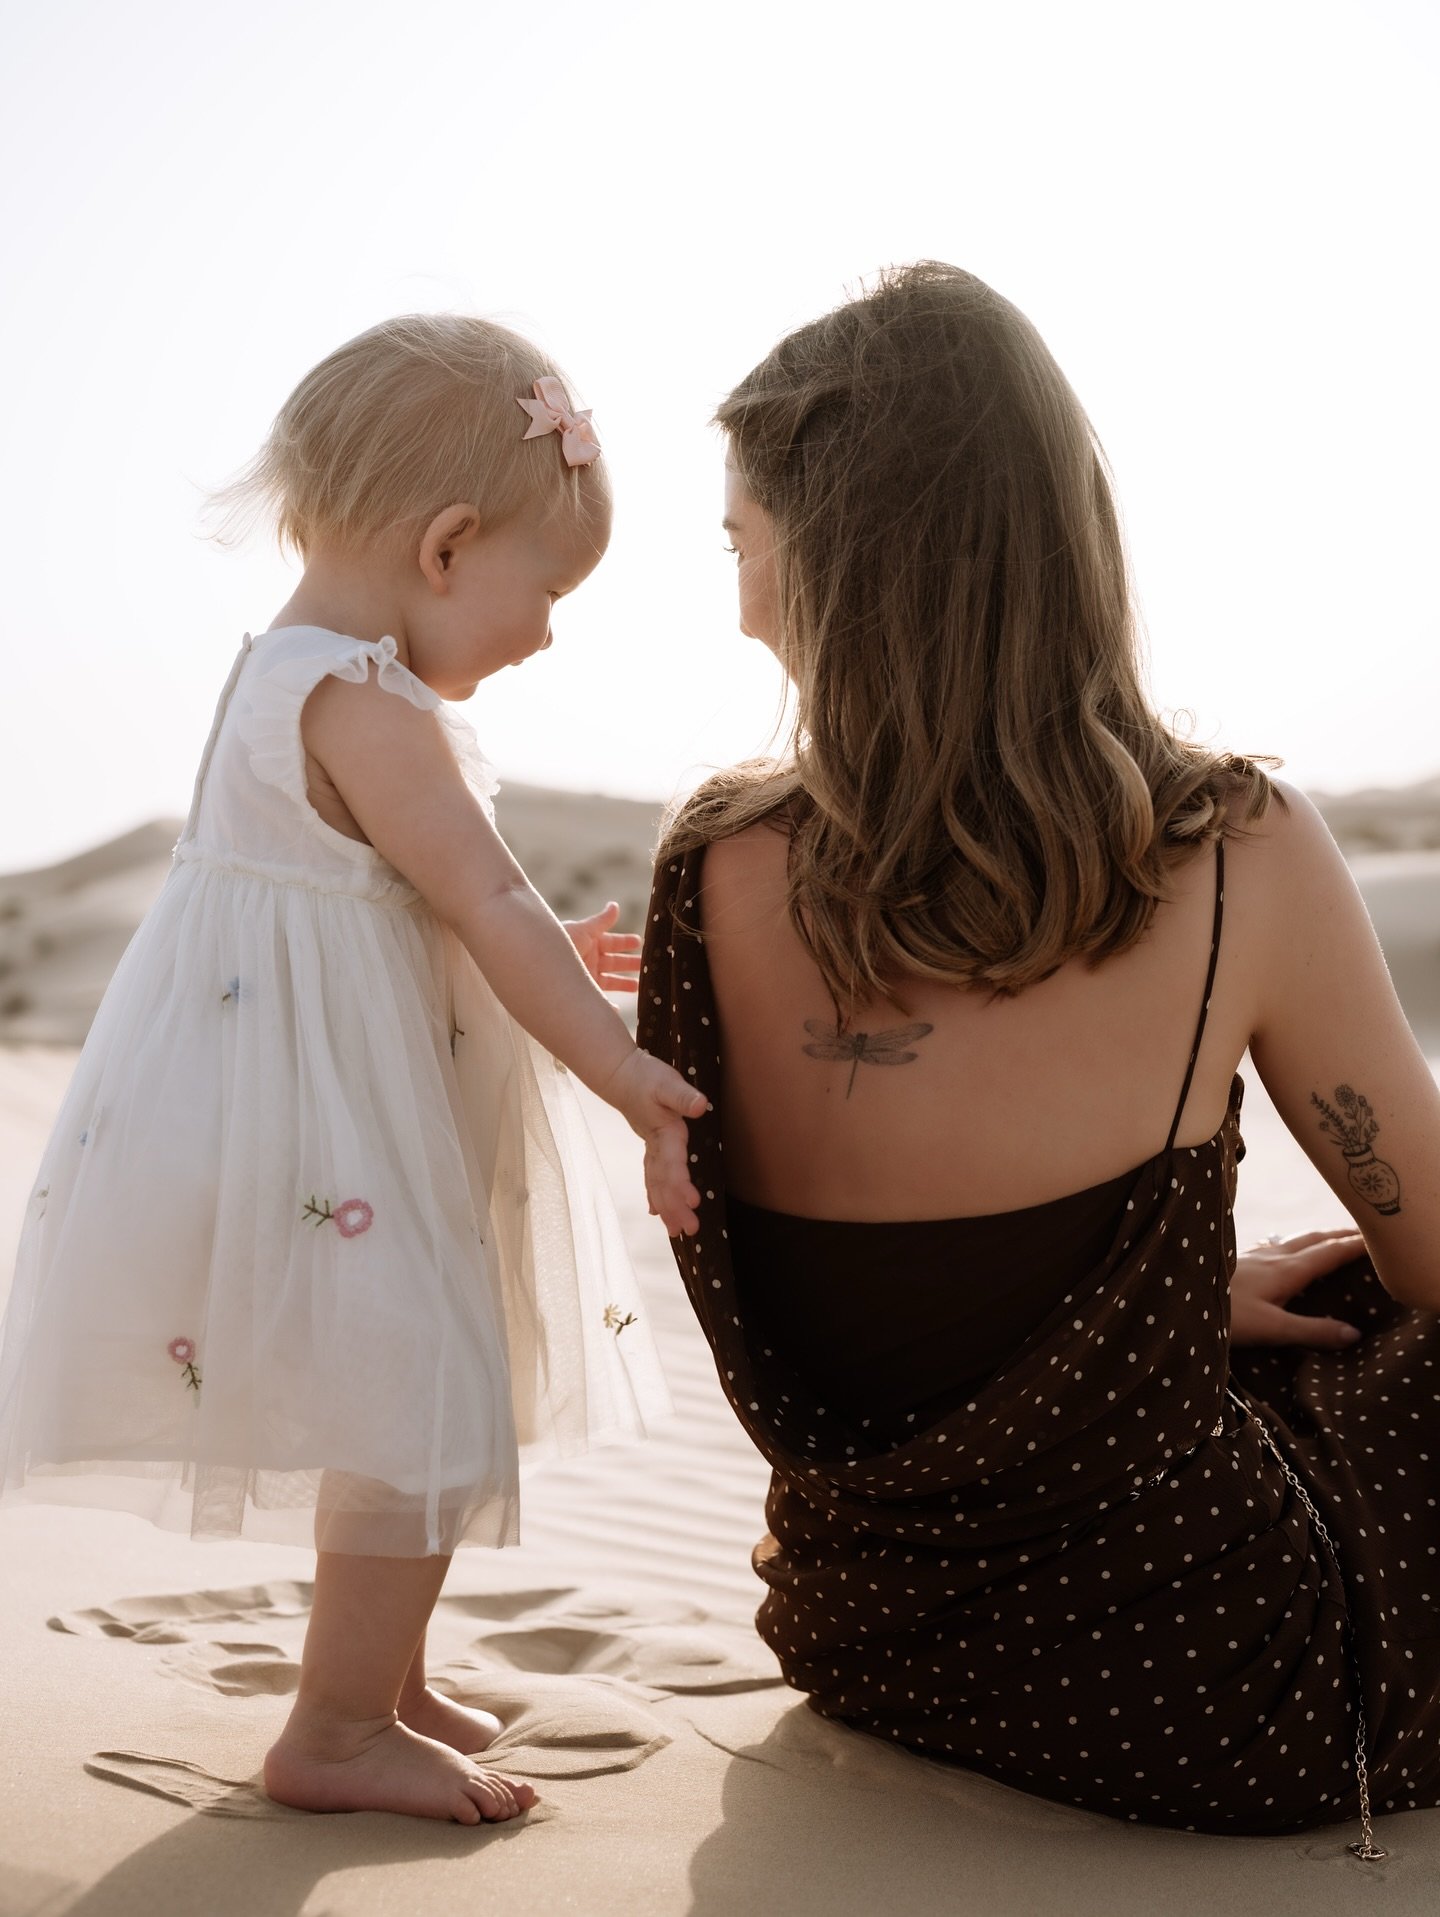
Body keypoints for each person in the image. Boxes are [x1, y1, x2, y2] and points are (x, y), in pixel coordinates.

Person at [638, 262, 1440, 1856]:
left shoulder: (705, 874)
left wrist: (1150, 1310)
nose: (734, 598)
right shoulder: (1238, 851)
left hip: (868, 1639)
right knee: (1356, 1291)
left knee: (1300, 1298)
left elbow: (880, 1303)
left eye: (742, 542)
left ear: (842, 563)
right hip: (1211, 1702)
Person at [0, 315, 707, 1825]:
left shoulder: (290, 673)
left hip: (303, 1103)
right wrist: (618, 1066)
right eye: (548, 591)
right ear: (448, 546)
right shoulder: (371, 706)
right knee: (423, 1395)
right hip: (340, 1134)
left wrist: (547, 955)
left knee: (421, 1389)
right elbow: (486, 901)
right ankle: (334, 1725)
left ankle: (381, 1681)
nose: (547, 634)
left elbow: (405, 905)